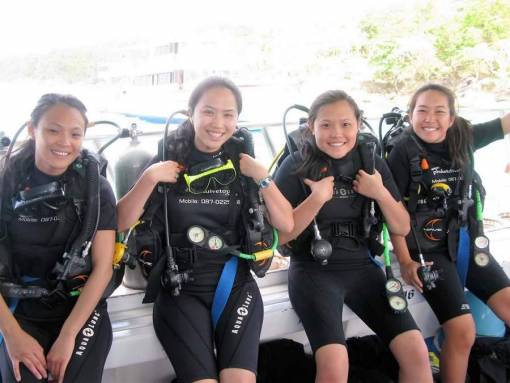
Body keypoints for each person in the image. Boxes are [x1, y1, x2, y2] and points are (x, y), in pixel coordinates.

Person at [117, 76, 293, 383]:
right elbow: (120, 222)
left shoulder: (244, 163)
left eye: (228, 115)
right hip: (179, 288)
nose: (218, 123)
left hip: (235, 285)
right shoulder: (163, 160)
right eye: (209, 111)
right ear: (191, 113)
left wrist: (264, 178)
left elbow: (286, 224)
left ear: (237, 119)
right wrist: (149, 178)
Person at [274, 90, 432, 383]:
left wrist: (380, 192)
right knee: (335, 367)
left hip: (362, 267)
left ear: (358, 124)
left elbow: (402, 226)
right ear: (311, 126)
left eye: (346, 124)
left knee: (416, 352)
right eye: (326, 125)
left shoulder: (370, 162)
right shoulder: (296, 166)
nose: (337, 134)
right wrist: (316, 199)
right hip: (314, 272)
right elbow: (282, 236)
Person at [387, 83, 510, 383]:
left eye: (440, 111)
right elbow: (390, 213)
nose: (430, 118)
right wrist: (404, 261)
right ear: (410, 114)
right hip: (426, 251)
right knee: (463, 330)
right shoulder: (402, 152)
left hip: (466, 243)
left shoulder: (464, 137)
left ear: (452, 118)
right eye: (422, 111)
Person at [0, 94, 117, 383]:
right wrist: (13, 336)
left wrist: (68, 336)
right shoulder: (5, 181)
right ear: (32, 129)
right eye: (53, 130)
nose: (64, 142)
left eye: (75, 133)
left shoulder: (96, 188)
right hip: (19, 312)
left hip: (78, 310)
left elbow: (103, 267)